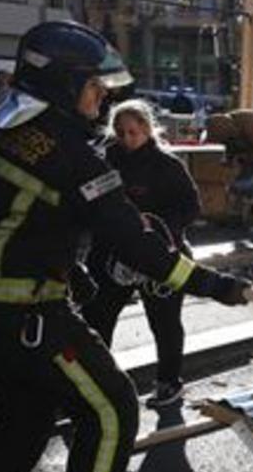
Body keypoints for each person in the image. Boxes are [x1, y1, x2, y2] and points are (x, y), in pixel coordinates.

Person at [0, 20, 249, 472]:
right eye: (92, 86)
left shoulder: (4, 119)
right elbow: (130, 239)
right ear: (63, 86)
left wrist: (68, 267)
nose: (103, 97)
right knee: (110, 407)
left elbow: (31, 212)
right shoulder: (71, 154)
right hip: (25, 306)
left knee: (25, 414)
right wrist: (211, 284)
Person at [81, 100, 201, 408]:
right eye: (120, 133)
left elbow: (190, 207)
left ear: (148, 130)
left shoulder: (168, 165)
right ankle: (96, 383)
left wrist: (158, 226)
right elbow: (89, 202)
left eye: (133, 132)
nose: (127, 139)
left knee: (164, 322)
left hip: (160, 254)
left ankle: (168, 381)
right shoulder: (105, 161)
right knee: (98, 319)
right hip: (112, 255)